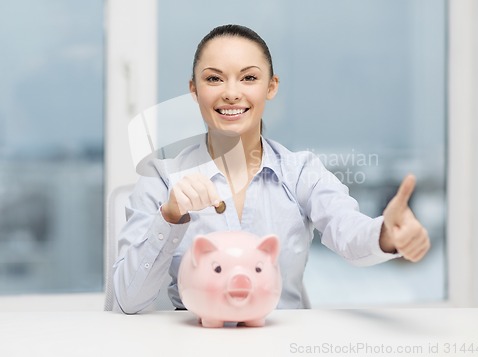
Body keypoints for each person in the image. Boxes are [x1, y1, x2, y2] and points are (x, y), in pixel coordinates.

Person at [113, 24, 430, 314]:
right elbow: (128, 301)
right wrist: (170, 216)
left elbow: (348, 232)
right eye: (213, 78)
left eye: (249, 77)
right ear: (194, 90)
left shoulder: (302, 171)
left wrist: (388, 235)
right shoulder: (161, 179)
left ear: (271, 86)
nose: (231, 92)